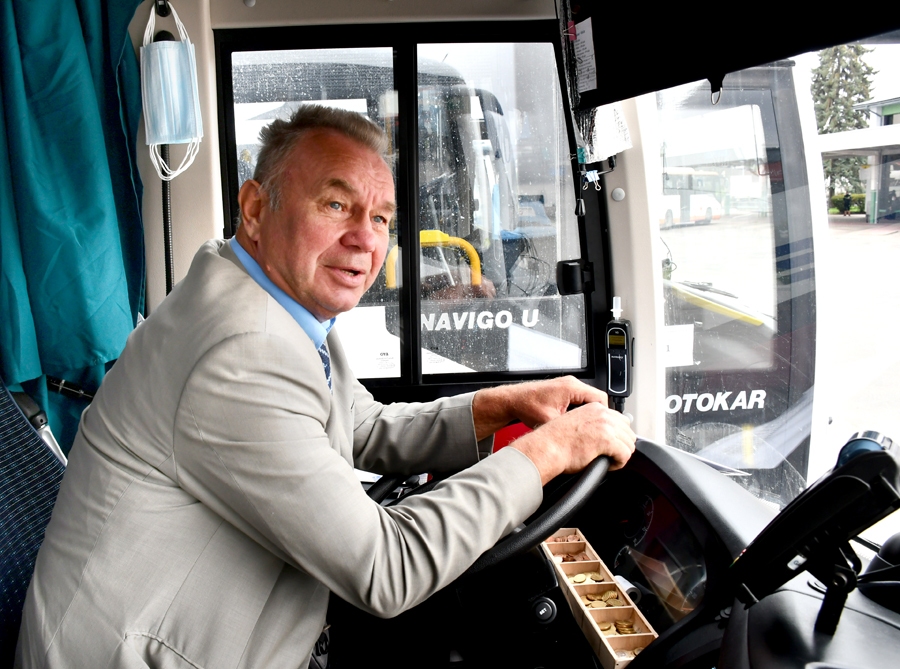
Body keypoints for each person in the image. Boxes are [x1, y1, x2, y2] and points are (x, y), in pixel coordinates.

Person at [16, 105, 635, 668]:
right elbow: (386, 569)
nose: (365, 238)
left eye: (381, 218)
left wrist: (501, 408)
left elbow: (358, 425)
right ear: (256, 209)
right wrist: (550, 451)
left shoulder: (276, 300)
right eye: (336, 205)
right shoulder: (241, 351)